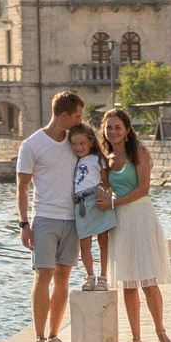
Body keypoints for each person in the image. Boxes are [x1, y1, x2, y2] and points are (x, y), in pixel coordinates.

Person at [100, 106, 171, 342]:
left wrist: (113, 203)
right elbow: (103, 190)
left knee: (148, 280)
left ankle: (161, 331)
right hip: (120, 221)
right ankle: (136, 339)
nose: (113, 131)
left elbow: (144, 188)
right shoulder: (106, 159)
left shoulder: (138, 152)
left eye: (117, 127)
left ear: (127, 130)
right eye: (109, 127)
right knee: (128, 283)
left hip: (141, 216)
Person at [15, 91, 83, 342]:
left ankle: (55, 336)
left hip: (73, 219)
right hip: (44, 218)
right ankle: (39, 337)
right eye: (77, 115)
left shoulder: (74, 141)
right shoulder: (32, 145)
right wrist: (23, 224)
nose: (80, 120)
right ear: (64, 115)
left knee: (63, 277)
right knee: (44, 275)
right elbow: (21, 188)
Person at [70, 121, 116, 288]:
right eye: (74, 144)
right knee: (85, 242)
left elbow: (105, 181)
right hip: (81, 203)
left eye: (82, 143)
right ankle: (90, 275)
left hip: (96, 200)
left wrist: (102, 191)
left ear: (91, 142)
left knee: (103, 241)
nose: (78, 147)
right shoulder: (74, 160)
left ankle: (104, 276)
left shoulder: (98, 159)